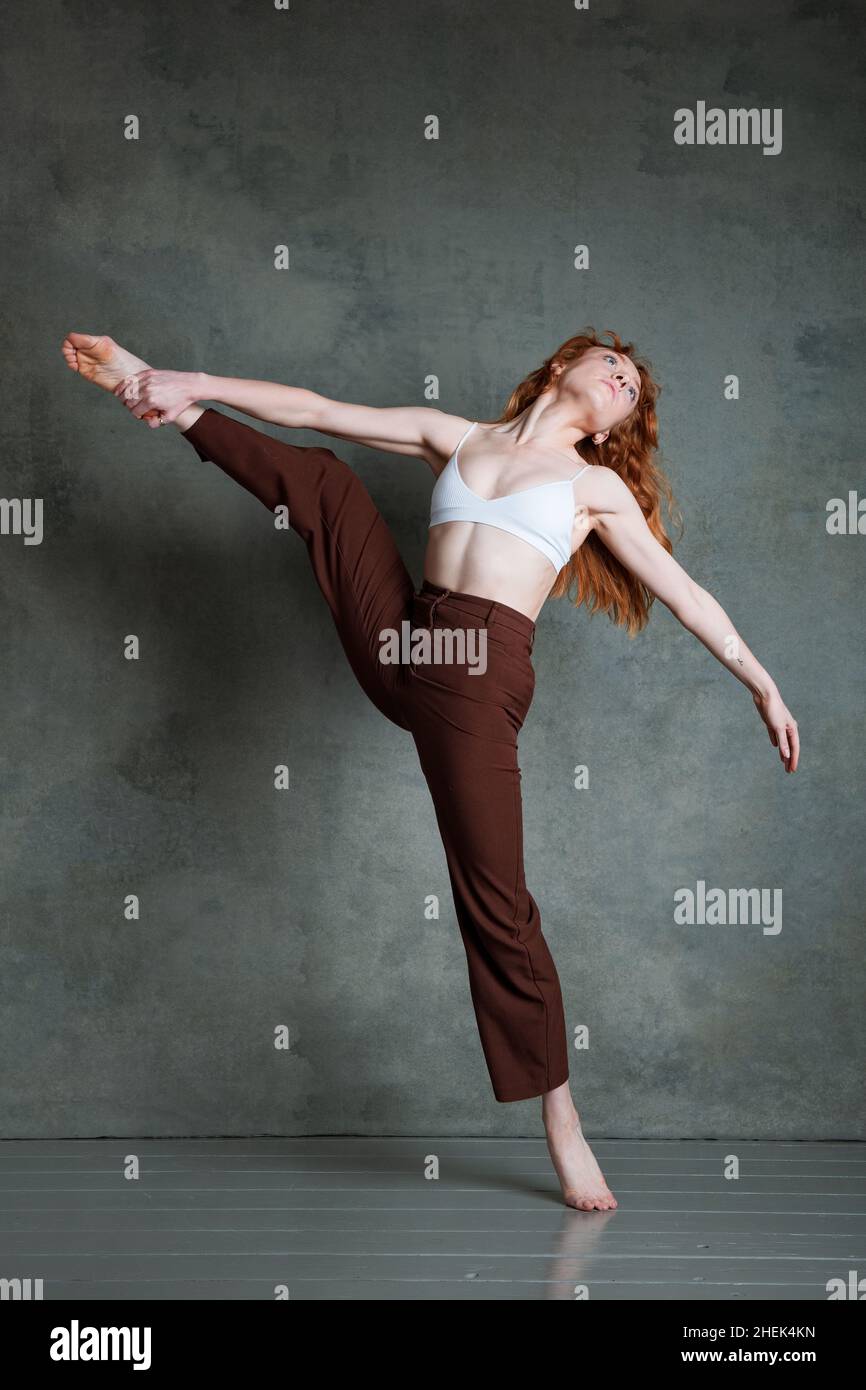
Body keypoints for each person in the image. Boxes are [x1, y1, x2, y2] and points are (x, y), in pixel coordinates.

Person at [61, 329, 800, 1212]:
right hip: (408, 637)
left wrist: (761, 682)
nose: (620, 381)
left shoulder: (593, 486)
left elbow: (682, 590)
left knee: (496, 896)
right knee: (329, 481)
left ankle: (561, 1117)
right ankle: (167, 402)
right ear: (561, 366)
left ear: (610, 430)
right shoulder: (457, 436)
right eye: (611, 364)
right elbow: (316, 410)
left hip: (479, 674)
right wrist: (194, 381)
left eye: (632, 390)